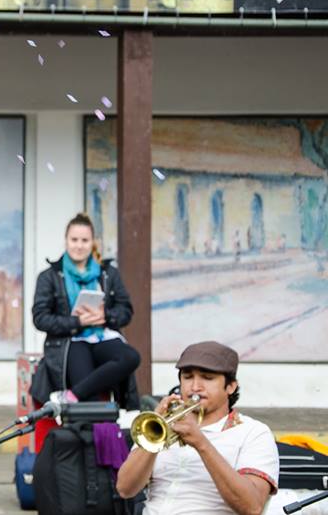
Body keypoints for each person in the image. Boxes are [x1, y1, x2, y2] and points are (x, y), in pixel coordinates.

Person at [117, 341, 279, 515]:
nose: (195, 387)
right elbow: (125, 489)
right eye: (187, 377)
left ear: (231, 386)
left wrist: (202, 444)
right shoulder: (162, 425)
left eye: (207, 378)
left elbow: (252, 507)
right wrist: (153, 437)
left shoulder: (253, 433)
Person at [31, 213, 140, 406]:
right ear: (66, 241)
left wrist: (105, 316)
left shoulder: (108, 273)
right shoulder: (49, 276)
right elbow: (40, 318)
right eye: (74, 240)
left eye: (85, 240)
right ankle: (94, 420)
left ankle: (71, 395)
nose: (79, 246)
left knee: (131, 357)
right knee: (87, 391)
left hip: (102, 336)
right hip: (70, 341)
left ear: (92, 243)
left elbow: (126, 311)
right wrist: (78, 322)